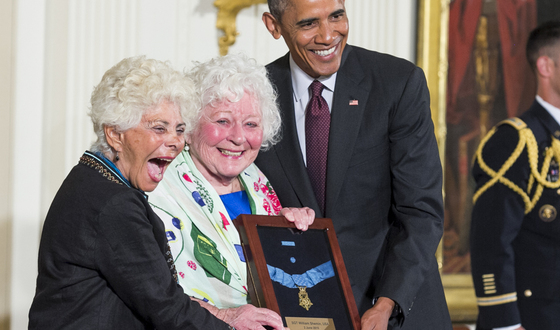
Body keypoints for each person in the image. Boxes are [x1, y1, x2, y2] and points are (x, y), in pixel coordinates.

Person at [28, 55, 271, 329]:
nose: (175, 142)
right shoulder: (113, 203)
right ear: (115, 134)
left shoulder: (91, 178)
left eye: (180, 129)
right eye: (159, 128)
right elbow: (167, 309)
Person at [254, 0, 452, 329]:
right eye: (308, 24)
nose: (328, 35)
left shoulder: (397, 83)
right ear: (273, 26)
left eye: (337, 16)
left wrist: (386, 304)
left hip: (396, 311)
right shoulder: (257, 93)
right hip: (304, 311)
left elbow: (421, 212)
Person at [148, 53, 314, 328]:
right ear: (189, 126)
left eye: (251, 124)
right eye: (223, 121)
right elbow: (151, 293)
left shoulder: (258, 181)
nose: (238, 137)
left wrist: (292, 233)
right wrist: (225, 317)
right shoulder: (159, 186)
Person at [470, 20, 560, 330]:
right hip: (538, 319)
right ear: (546, 65)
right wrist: (505, 324)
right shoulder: (515, 141)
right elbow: (491, 243)